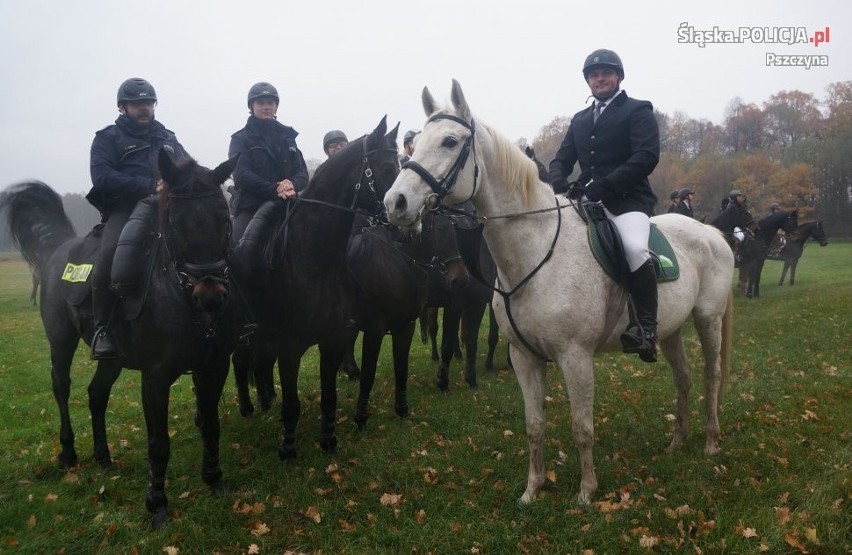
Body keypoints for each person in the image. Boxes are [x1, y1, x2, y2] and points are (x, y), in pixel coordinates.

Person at [549, 48, 660, 363]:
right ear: (588, 81)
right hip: (587, 202)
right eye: (594, 75)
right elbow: (561, 159)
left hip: (628, 200)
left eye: (606, 73)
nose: (600, 78)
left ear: (619, 77)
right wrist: (559, 182)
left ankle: (646, 330)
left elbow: (646, 157)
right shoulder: (581, 119)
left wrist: (606, 185)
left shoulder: (638, 111)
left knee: (635, 248)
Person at [87, 78, 190, 359]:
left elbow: (186, 166)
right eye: (137, 104)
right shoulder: (107, 138)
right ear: (122, 108)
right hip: (126, 210)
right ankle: (103, 329)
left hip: (167, 208)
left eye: (148, 103)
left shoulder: (168, 138)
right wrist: (147, 185)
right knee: (108, 256)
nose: (144, 108)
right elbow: (102, 177)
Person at [228, 82, 309, 244]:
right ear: (251, 106)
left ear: (276, 107)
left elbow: (302, 173)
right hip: (251, 207)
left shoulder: (288, 137)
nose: (266, 107)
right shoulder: (240, 139)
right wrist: (274, 189)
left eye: (270, 103)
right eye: (261, 103)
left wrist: (292, 184)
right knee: (237, 250)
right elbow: (241, 175)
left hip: (289, 205)